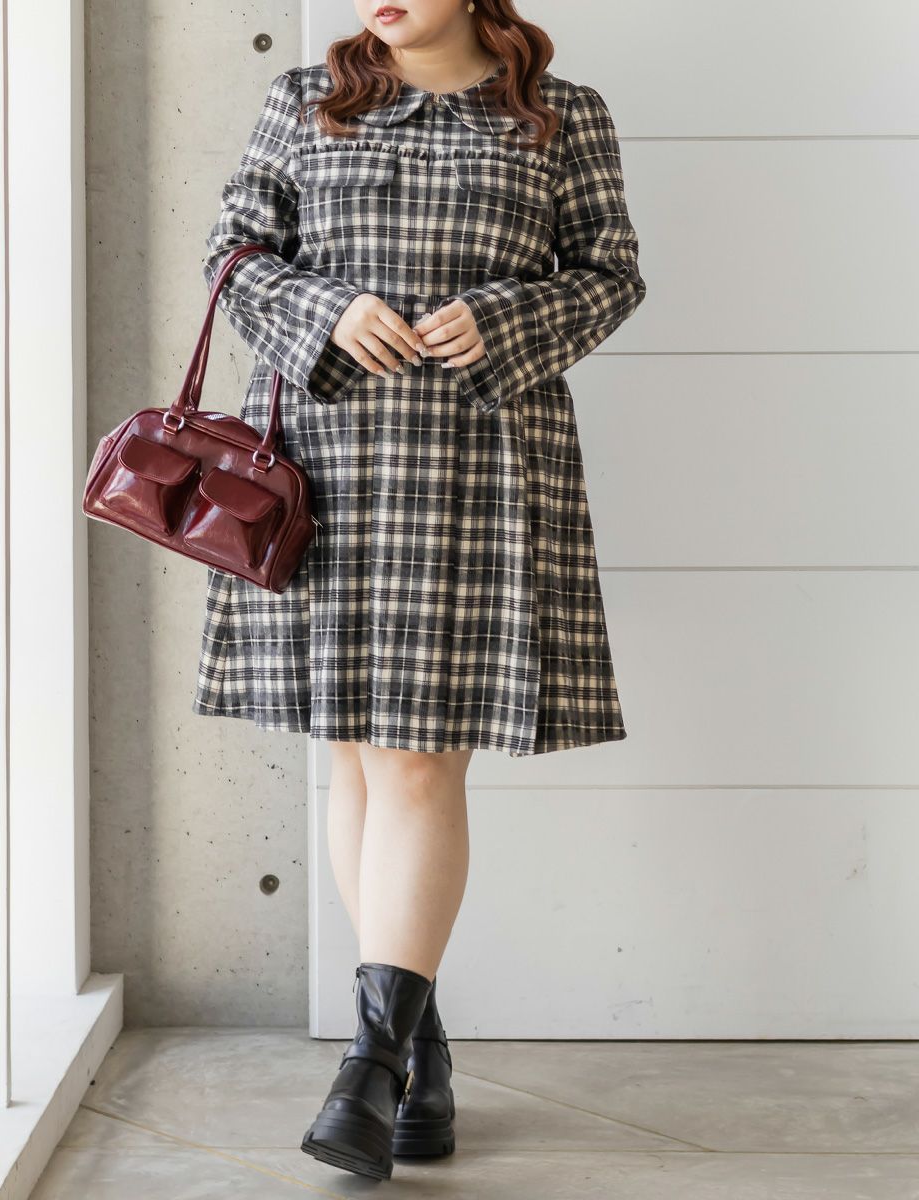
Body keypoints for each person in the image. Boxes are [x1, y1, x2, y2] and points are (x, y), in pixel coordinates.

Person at [193, 0, 646, 1181]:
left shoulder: (559, 116)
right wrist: (329, 308)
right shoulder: (305, 100)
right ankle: (414, 1055)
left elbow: (610, 275)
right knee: (356, 757)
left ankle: (368, 1071)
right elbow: (232, 253)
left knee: (413, 765)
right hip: (322, 469)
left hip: (476, 465)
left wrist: (500, 318)